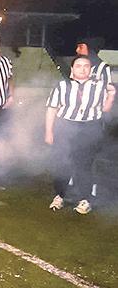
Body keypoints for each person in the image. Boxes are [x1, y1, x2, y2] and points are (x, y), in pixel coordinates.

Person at [44, 55, 113, 214]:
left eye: (86, 66)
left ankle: (85, 199)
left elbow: (105, 109)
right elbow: (52, 109)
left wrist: (111, 95)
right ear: (72, 69)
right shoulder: (62, 86)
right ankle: (59, 195)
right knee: (62, 163)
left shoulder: (99, 86)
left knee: (84, 164)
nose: (82, 69)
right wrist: (49, 131)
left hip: (89, 127)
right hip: (66, 126)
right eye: (79, 66)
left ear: (90, 69)